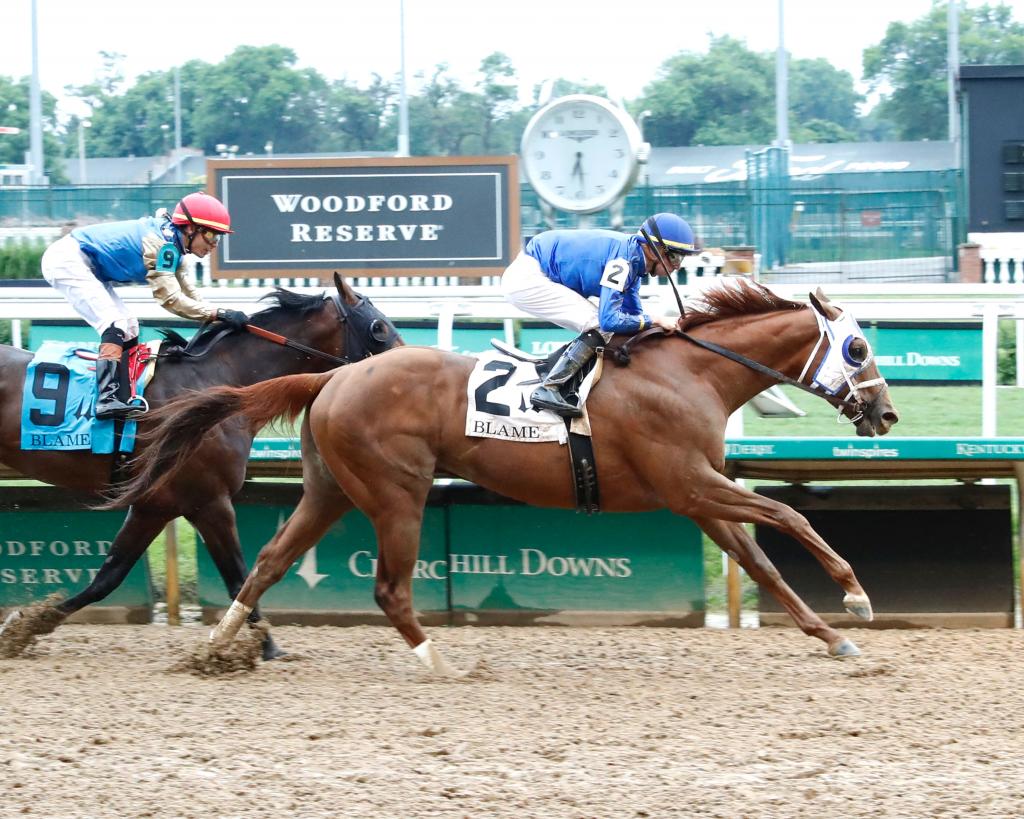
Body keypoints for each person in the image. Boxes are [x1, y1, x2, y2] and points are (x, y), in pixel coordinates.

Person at [40, 191, 249, 421]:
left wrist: (220, 314)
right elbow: (170, 299)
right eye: (211, 235)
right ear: (190, 228)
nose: (213, 245)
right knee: (115, 323)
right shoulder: (163, 246)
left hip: (88, 265)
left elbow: (190, 294)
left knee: (129, 326)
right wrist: (216, 313)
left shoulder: (174, 244)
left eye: (218, 238)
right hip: (67, 260)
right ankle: (106, 399)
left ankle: (124, 395)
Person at [501, 212, 697, 418]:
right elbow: (609, 320)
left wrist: (659, 327)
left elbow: (632, 318)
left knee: (609, 327)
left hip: (536, 270)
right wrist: (654, 319)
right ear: (651, 249)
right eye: (674, 256)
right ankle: (550, 388)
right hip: (528, 279)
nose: (677, 265)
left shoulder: (634, 265)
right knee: (599, 324)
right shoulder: (623, 263)